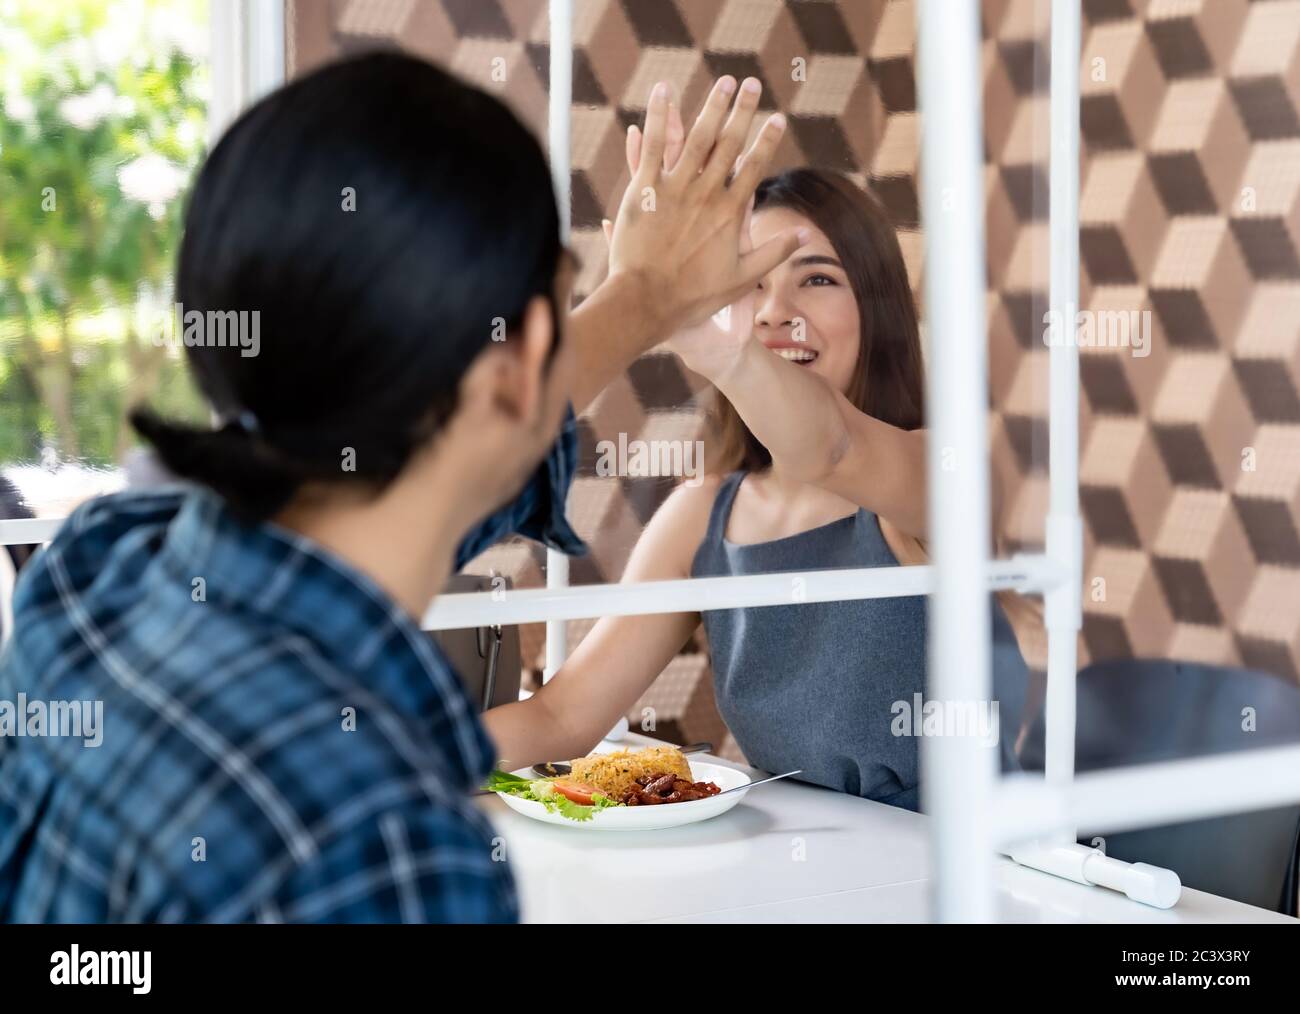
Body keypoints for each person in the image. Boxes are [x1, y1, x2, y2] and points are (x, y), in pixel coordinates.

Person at [0, 53, 803, 923]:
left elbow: (441, 469)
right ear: (516, 366)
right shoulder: (389, 851)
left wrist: (642, 298)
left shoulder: (100, 563)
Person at [485, 152, 1033, 811]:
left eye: (817, 280)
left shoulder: (940, 474)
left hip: (967, 881)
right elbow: (562, 718)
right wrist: (377, 750)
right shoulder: (702, 515)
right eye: (751, 281)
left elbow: (830, 447)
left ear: (877, 308)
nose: (775, 312)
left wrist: (716, 347)